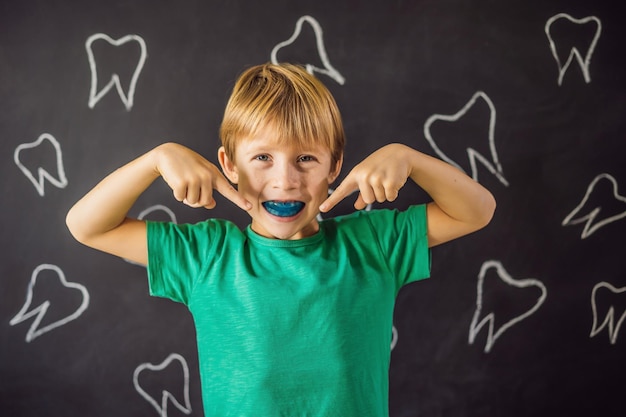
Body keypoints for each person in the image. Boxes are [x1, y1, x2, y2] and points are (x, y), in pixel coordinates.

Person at [66, 63, 496, 417]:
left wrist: (410, 158)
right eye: (262, 159)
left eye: (306, 159)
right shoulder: (206, 255)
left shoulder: (374, 243)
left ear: (336, 165)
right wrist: (155, 159)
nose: (285, 180)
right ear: (228, 165)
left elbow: (476, 211)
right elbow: (88, 226)